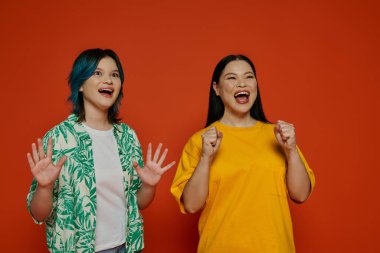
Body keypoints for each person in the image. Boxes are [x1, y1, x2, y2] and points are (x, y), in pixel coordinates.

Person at [26, 48, 175, 253]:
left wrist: (149, 186)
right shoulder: (59, 138)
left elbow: (139, 203)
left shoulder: (127, 137)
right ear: (79, 84)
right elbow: (39, 214)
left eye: (115, 75)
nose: (108, 80)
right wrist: (44, 187)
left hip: (128, 247)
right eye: (97, 73)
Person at [171, 54, 315, 253]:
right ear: (216, 89)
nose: (241, 83)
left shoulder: (279, 136)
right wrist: (206, 158)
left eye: (248, 77)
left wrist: (290, 151)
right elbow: (191, 205)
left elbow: (300, 194)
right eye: (231, 78)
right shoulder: (201, 141)